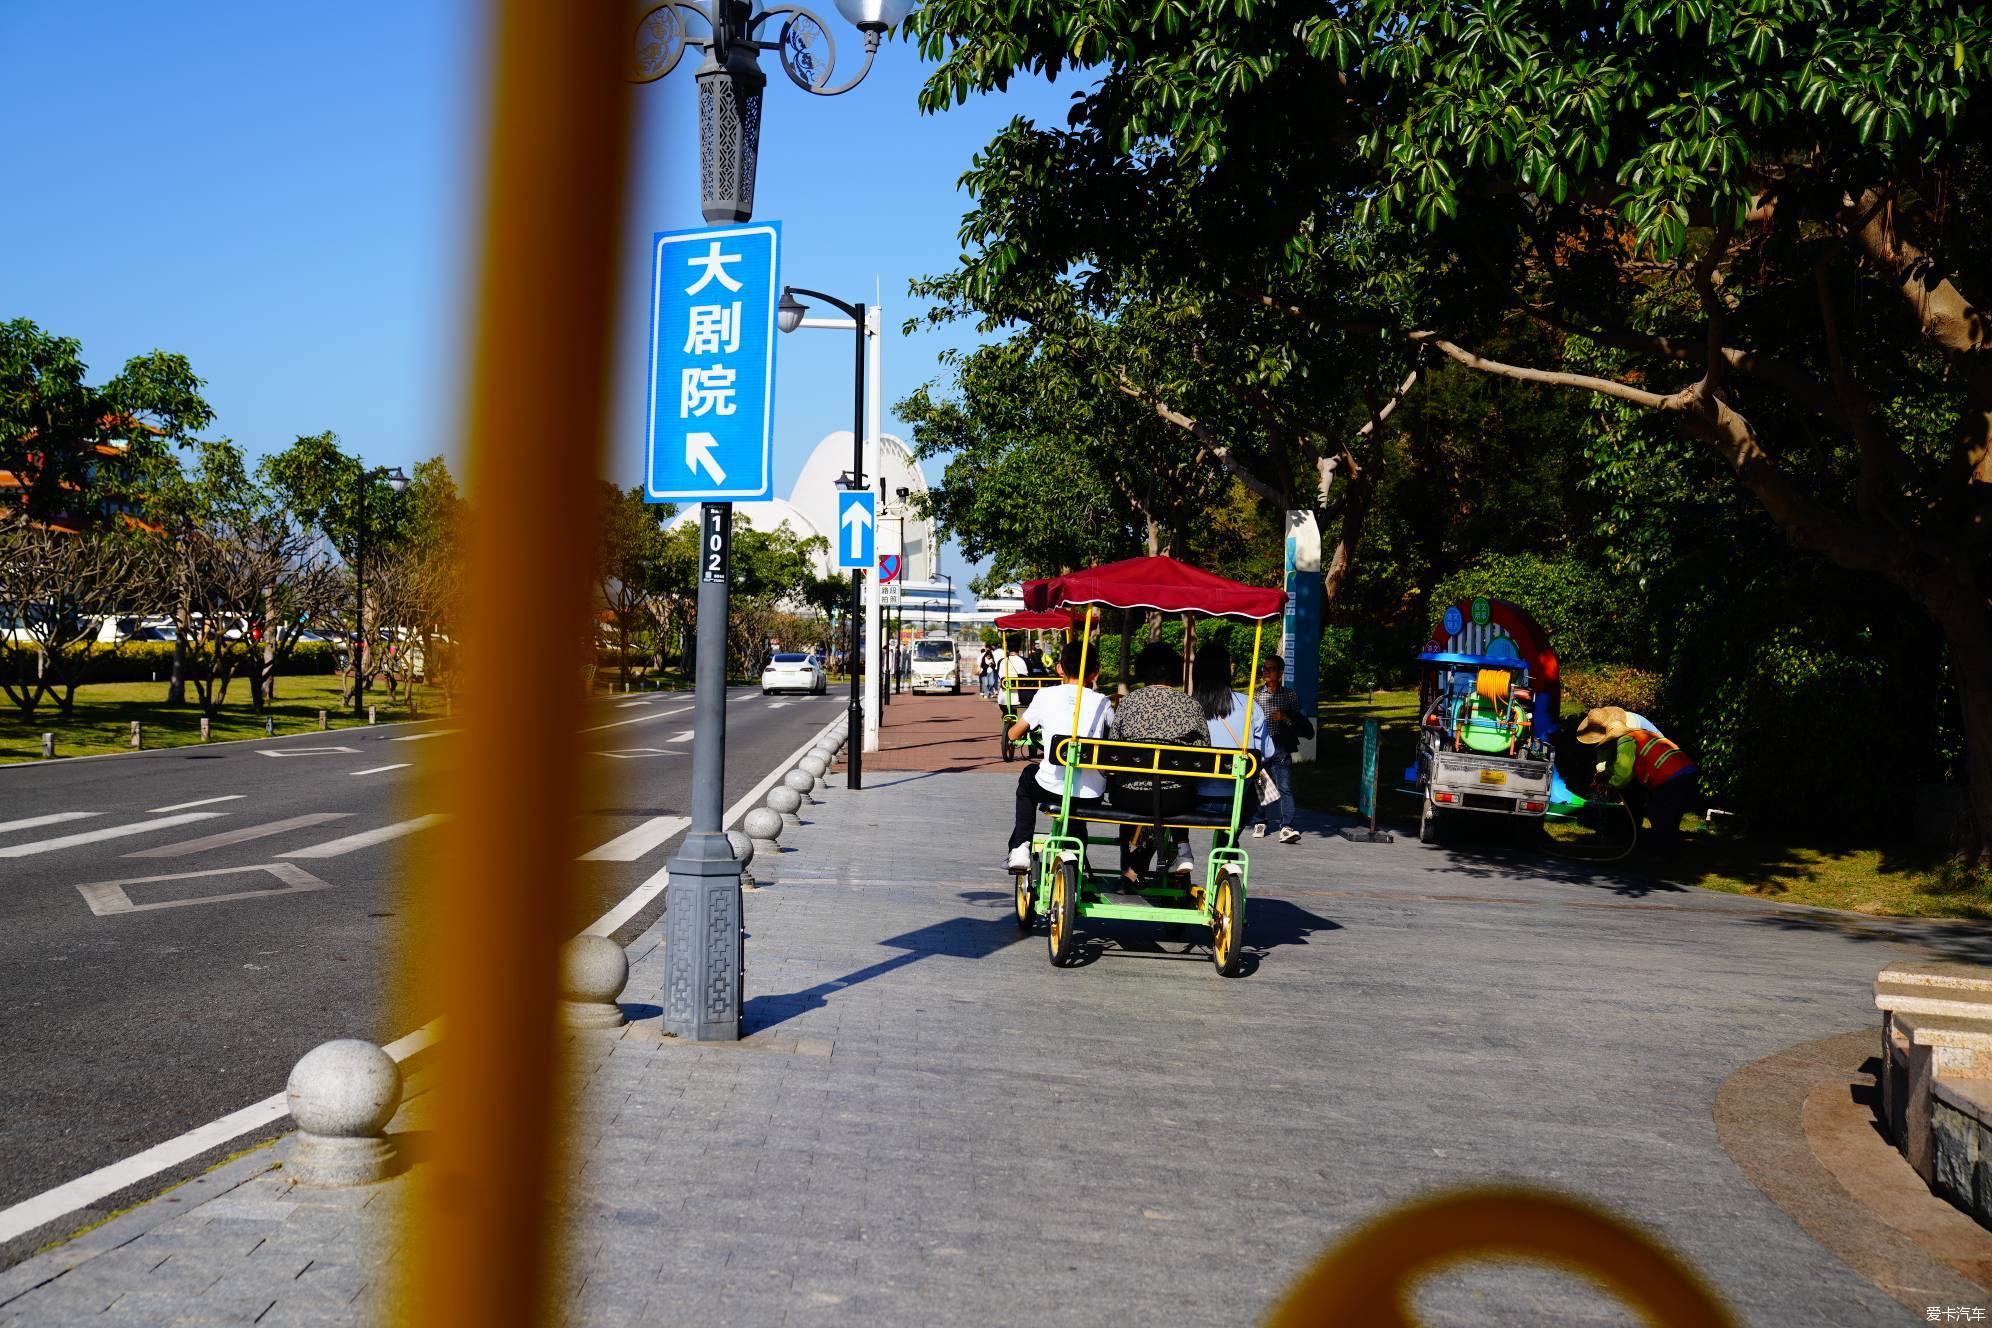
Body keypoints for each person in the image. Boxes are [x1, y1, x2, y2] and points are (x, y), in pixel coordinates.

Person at [1005, 641, 1115, 872]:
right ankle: (1077, 859)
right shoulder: (1102, 702)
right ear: (1095, 672)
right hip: (1090, 792)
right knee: (1077, 803)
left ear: (1059, 669)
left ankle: (1021, 845)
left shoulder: (1045, 695)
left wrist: (1018, 729)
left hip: (1050, 787)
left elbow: (1015, 734)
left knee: (1027, 778)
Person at [1108, 642, 1208, 883]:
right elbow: (1203, 751)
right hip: (1176, 797)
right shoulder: (1191, 705)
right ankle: (1171, 853)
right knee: (1168, 790)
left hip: (1129, 796)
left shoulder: (1128, 703)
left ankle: (1132, 866)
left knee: (1147, 794)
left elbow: (1112, 749)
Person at [1575, 710, 1700, 855]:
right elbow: (1623, 764)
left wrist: (1611, 785)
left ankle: (1662, 857)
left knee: (1659, 816)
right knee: (1670, 817)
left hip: (1669, 778)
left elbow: (1623, 773)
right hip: (1687, 771)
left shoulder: (1625, 741)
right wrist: (1607, 773)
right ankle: (1669, 853)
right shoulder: (1642, 734)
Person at [1253, 659, 1313, 843]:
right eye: (1264, 668)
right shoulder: (1256, 695)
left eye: (1271, 669)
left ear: (1280, 673)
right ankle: (1259, 821)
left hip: (1281, 745)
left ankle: (1286, 826)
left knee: (1284, 787)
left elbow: (1298, 723)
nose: (1266, 672)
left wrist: (1284, 716)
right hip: (1261, 745)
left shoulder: (1289, 696)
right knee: (1260, 785)